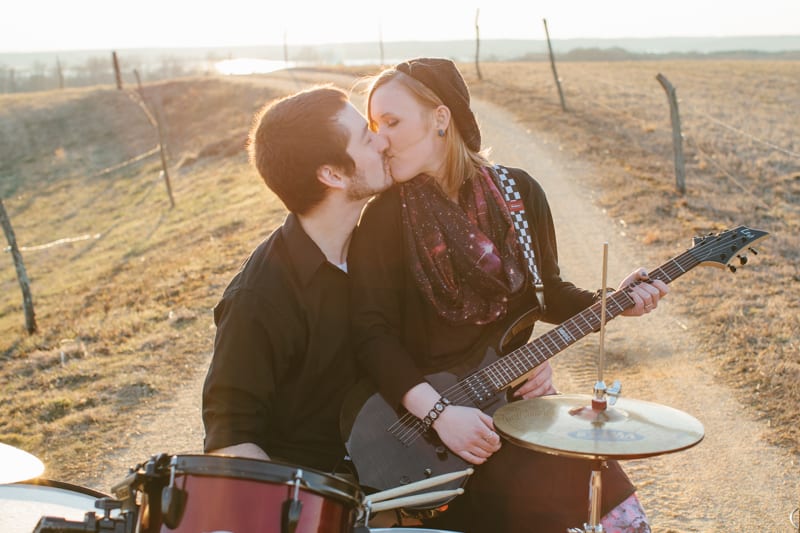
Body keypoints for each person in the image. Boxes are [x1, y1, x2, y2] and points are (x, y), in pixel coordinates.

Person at [348, 58, 668, 532]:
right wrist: (440, 415)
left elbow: (548, 291)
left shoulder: (519, 194)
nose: (380, 138)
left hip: (515, 406)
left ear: (441, 118)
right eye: (375, 126)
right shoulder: (382, 218)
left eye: (392, 122)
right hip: (424, 430)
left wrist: (615, 298)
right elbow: (373, 337)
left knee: (609, 511)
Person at [201, 85, 393, 474]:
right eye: (366, 137)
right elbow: (231, 442)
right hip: (320, 506)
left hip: (406, 474)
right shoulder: (258, 298)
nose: (383, 142)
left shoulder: (387, 244)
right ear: (333, 174)